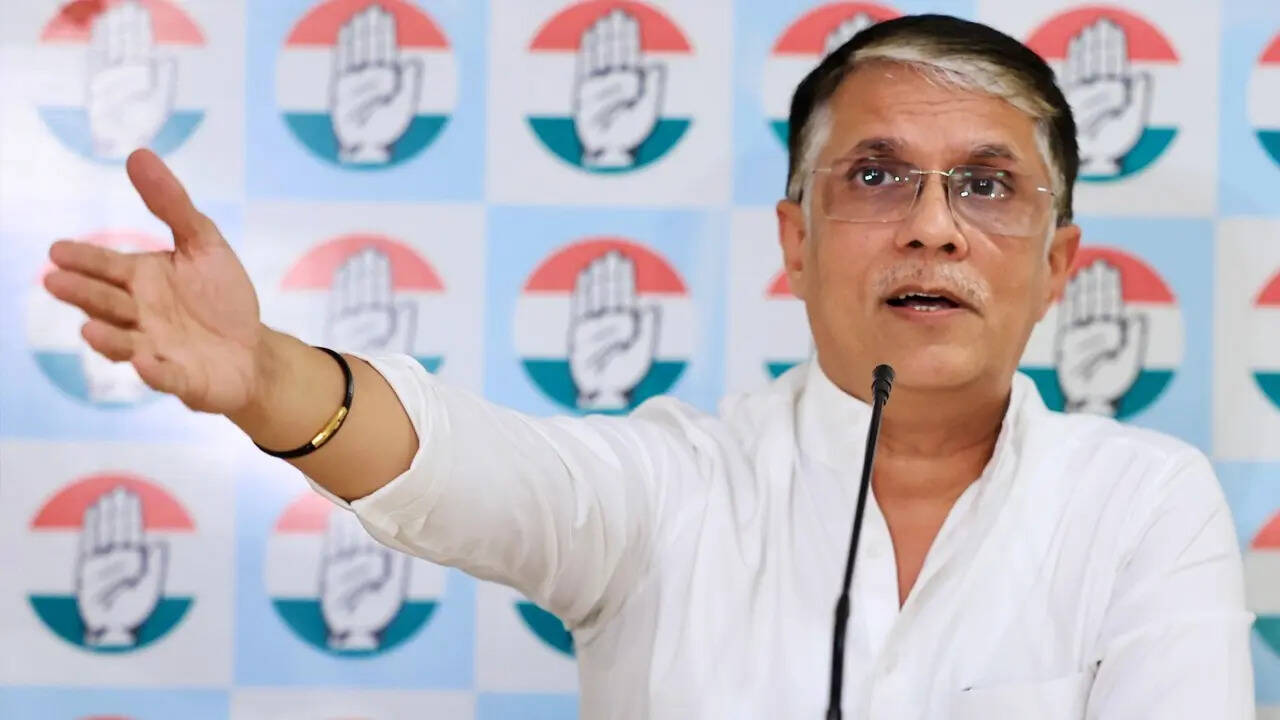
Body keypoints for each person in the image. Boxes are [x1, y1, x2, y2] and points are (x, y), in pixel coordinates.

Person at [42, 14, 1254, 720]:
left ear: (1055, 263)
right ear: (793, 242)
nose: (931, 227)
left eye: (983, 186)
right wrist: (266, 378)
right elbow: (467, 469)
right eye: (876, 177)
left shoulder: (1138, 504)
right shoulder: (672, 486)